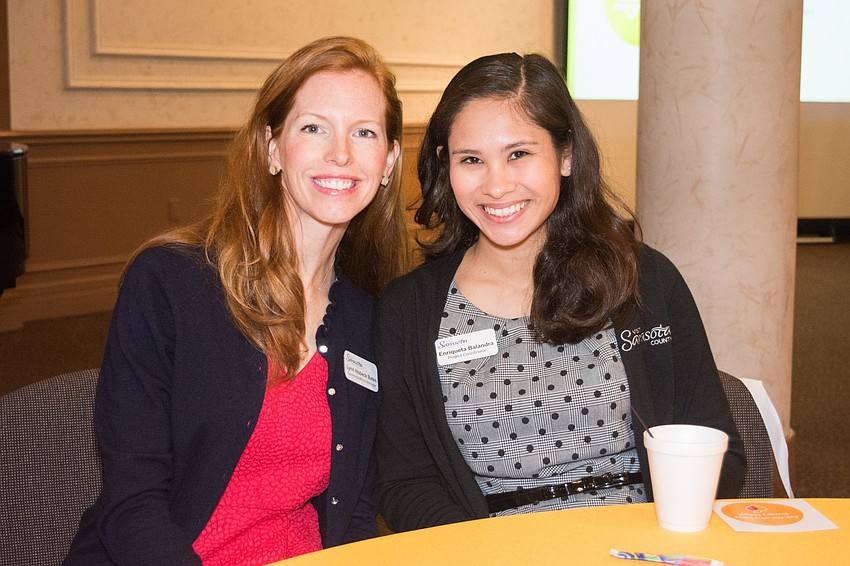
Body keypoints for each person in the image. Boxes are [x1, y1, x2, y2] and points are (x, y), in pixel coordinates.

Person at [64, 36, 406, 565]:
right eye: (313, 127)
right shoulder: (171, 284)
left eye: (364, 132)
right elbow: (132, 506)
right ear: (272, 148)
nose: (341, 153)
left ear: (388, 161)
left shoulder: (367, 320)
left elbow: (355, 511)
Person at [373, 52, 745, 532]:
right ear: (447, 166)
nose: (497, 185)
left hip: (643, 543)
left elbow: (718, 448)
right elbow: (405, 483)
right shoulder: (410, 310)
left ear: (565, 155)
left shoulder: (643, 280)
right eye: (471, 160)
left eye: (518, 154)